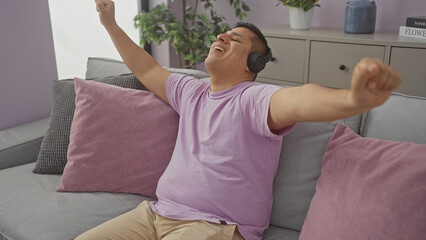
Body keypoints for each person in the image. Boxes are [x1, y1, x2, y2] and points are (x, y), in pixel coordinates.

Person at [76, 0, 402, 239]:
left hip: (213, 228)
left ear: (252, 64)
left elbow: (300, 99)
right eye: (223, 35)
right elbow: (147, 69)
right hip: (154, 215)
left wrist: (352, 99)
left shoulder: (252, 100)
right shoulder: (190, 92)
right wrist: (110, 23)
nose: (221, 38)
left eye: (235, 40)